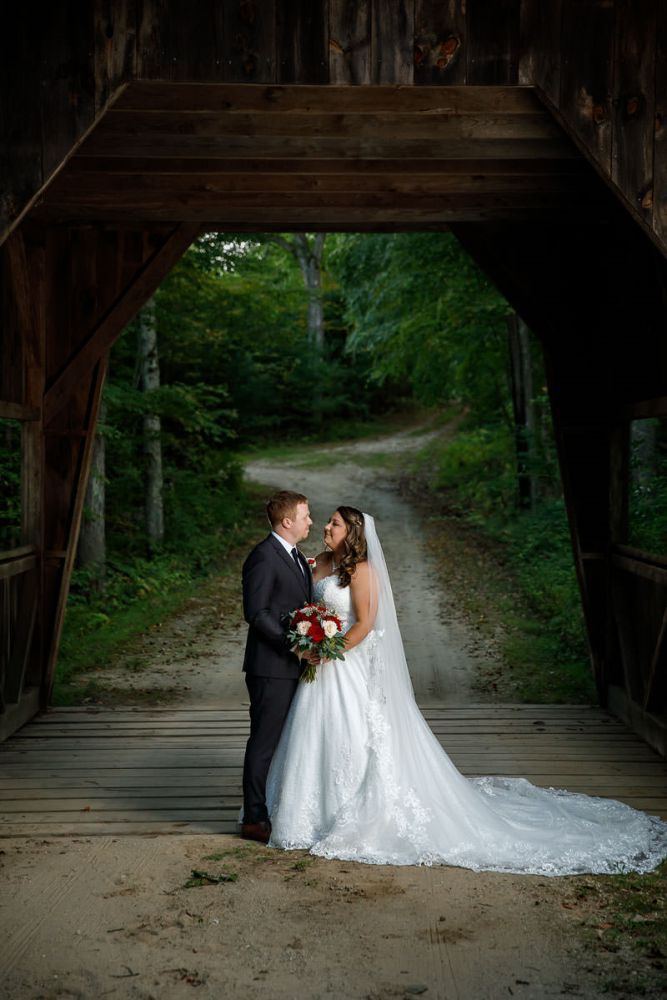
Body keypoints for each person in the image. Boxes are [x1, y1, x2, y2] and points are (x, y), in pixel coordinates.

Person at [264, 506, 667, 874]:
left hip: (344, 662)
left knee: (353, 733)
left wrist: (328, 651)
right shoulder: (318, 564)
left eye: (334, 523)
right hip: (320, 665)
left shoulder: (363, 570)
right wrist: (308, 637)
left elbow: (365, 623)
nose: (326, 527)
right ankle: (310, 815)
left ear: (352, 533)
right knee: (317, 733)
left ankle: (348, 812)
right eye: (327, 521)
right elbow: (309, 606)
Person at [240, 490, 316, 844]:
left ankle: (275, 804)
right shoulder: (264, 557)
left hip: (288, 666)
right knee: (264, 742)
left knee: (284, 740)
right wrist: (295, 646)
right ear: (287, 522)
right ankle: (254, 818)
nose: (310, 522)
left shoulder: (295, 556)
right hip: (271, 666)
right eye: (305, 516)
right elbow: (257, 614)